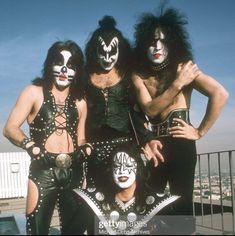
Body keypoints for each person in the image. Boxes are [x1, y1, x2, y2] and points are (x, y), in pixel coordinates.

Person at [131, 7, 229, 217]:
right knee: (147, 203)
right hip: (154, 145)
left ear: (172, 43)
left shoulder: (184, 68)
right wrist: (177, 84)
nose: (157, 46)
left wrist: (199, 132)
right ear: (143, 45)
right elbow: (149, 108)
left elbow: (220, 94)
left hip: (182, 143)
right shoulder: (139, 75)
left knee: (183, 205)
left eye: (163, 41)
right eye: (151, 42)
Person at [3, 40, 92, 235]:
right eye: (58, 62)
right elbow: (10, 128)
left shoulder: (80, 102)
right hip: (42, 172)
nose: (63, 70)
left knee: (74, 230)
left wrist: (86, 148)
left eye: (71, 66)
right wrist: (30, 145)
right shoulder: (33, 92)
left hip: (74, 172)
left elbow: (81, 138)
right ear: (49, 64)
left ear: (77, 71)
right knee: (36, 228)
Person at [84, 15, 163, 188]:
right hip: (92, 150)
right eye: (102, 52)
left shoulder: (127, 76)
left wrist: (148, 138)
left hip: (125, 148)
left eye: (111, 52)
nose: (107, 57)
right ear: (94, 51)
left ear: (120, 51)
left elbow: (136, 113)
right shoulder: (83, 77)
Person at [73, 143, 187, 235]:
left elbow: (186, 229)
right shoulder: (95, 200)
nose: (122, 171)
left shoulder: (154, 202)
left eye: (128, 166)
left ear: (138, 168)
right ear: (111, 170)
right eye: (117, 166)